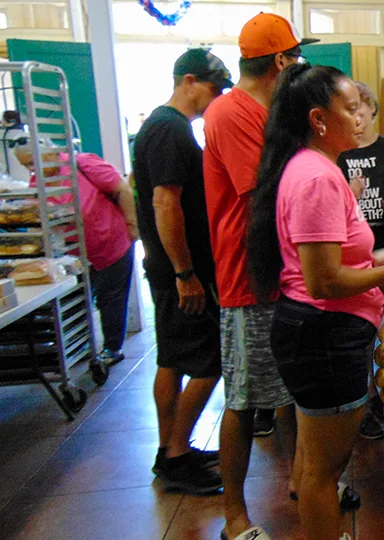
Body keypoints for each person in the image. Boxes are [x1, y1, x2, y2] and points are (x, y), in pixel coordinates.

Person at [248, 64, 384, 540]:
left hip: (319, 332)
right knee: (323, 471)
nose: (361, 118)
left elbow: (338, 260)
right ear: (318, 119)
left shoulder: (316, 168)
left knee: (313, 461)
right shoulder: (318, 178)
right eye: (350, 109)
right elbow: (324, 281)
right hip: (325, 336)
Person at [203, 13, 340, 540]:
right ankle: (235, 518)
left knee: (289, 392)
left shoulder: (267, 111)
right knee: (243, 398)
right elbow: (268, 183)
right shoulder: (231, 113)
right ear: (280, 61)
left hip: (280, 272)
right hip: (248, 278)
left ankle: (305, 486)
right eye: (296, 57)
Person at [133, 48, 232, 495]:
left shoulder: (161, 126)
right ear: (188, 79)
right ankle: (176, 456)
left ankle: (171, 448)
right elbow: (165, 202)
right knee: (210, 360)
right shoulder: (170, 130)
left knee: (172, 357)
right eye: (214, 87)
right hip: (180, 269)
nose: (216, 97)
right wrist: (185, 272)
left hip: (167, 265)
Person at [14, 141, 139, 361]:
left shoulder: (81, 164)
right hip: (74, 254)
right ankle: (80, 347)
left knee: (111, 298)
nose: (31, 170)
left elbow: (122, 189)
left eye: (33, 163)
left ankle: (112, 348)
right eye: (26, 166)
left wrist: (132, 225)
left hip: (111, 241)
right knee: (77, 300)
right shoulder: (37, 182)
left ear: (49, 153)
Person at [337, 82, 384, 439]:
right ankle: (363, 403)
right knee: (359, 335)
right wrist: (348, 198)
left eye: (359, 110)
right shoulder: (336, 155)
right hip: (350, 261)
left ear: (370, 111)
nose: (355, 118)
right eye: (348, 111)